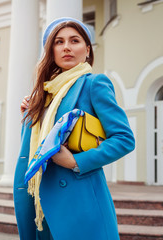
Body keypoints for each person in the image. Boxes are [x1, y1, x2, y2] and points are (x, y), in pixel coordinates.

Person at [13, 17, 135, 240]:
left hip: (79, 200)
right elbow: (35, 150)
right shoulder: (44, 94)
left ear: (87, 50)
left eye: (74, 40)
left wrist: (76, 162)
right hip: (40, 202)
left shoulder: (94, 84)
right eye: (58, 42)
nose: (66, 47)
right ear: (51, 51)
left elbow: (124, 139)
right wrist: (29, 119)